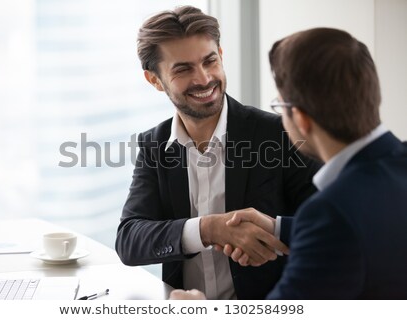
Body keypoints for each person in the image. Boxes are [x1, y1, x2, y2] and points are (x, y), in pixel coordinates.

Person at [172, 27, 407, 299]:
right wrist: (278, 228)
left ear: (302, 120)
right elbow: (371, 225)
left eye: (280, 105)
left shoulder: (331, 211)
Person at [115, 6, 319, 299]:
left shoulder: (279, 133)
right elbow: (130, 240)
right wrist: (209, 229)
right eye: (183, 69)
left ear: (221, 56)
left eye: (209, 61)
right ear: (155, 80)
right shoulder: (154, 145)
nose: (203, 79)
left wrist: (274, 234)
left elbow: (330, 228)